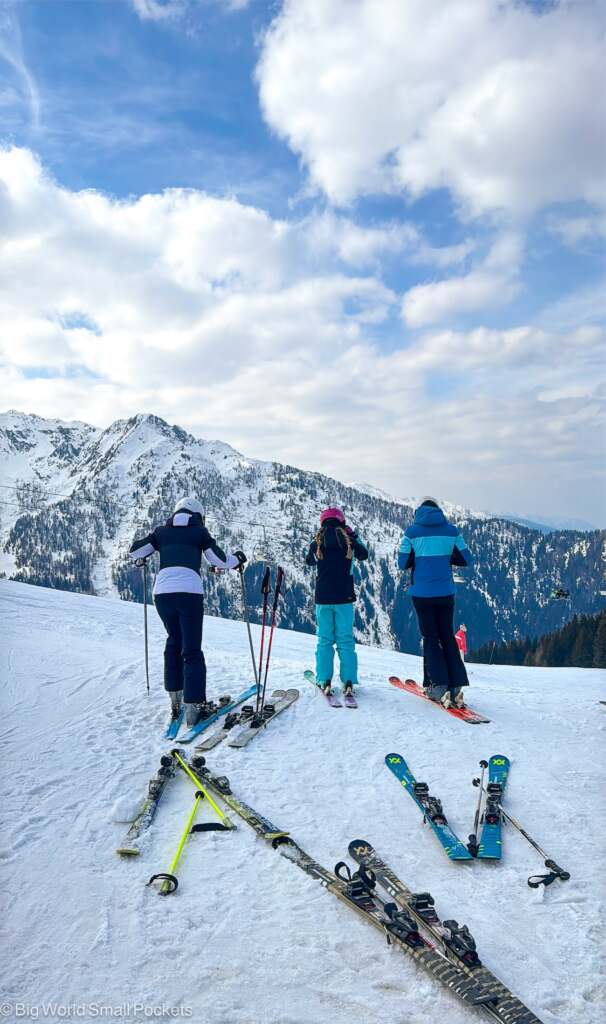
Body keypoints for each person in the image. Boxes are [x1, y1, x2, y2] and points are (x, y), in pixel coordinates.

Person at [129, 497, 246, 727]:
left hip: (162, 594)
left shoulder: (161, 532)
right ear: (199, 515)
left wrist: (143, 557)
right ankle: (194, 708)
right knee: (191, 649)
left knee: (174, 641)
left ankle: (176, 700)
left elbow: (135, 552)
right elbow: (219, 560)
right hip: (190, 594)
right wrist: (238, 559)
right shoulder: (199, 532)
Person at [398, 497, 472, 708]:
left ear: (419, 512)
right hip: (445, 592)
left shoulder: (411, 533)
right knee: (447, 636)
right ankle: (456, 687)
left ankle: (437, 686)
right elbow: (466, 558)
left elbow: (402, 563)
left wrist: (417, 558)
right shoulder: (452, 531)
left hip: (422, 594)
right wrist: (448, 557)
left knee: (430, 637)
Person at [305, 506, 369, 696]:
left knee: (324, 640)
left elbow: (309, 561)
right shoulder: (349, 540)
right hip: (344, 597)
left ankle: (324, 679)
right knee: (345, 640)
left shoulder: (317, 540)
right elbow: (364, 554)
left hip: (323, 598)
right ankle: (348, 680)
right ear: (342, 521)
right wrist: (354, 536)